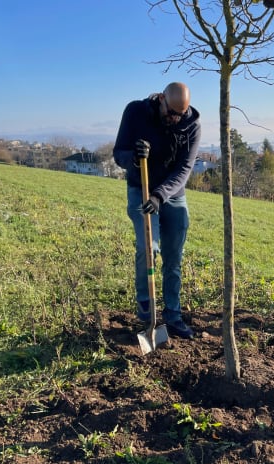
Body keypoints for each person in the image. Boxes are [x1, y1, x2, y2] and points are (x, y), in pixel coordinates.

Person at [113, 82, 201, 340]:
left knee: (174, 257)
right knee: (148, 248)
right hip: (140, 188)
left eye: (180, 114)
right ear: (161, 99)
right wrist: (133, 157)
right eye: (171, 112)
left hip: (172, 194)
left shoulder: (191, 125)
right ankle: (145, 303)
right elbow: (119, 153)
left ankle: (172, 314)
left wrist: (161, 195)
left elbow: (184, 169)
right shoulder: (136, 112)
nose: (175, 119)